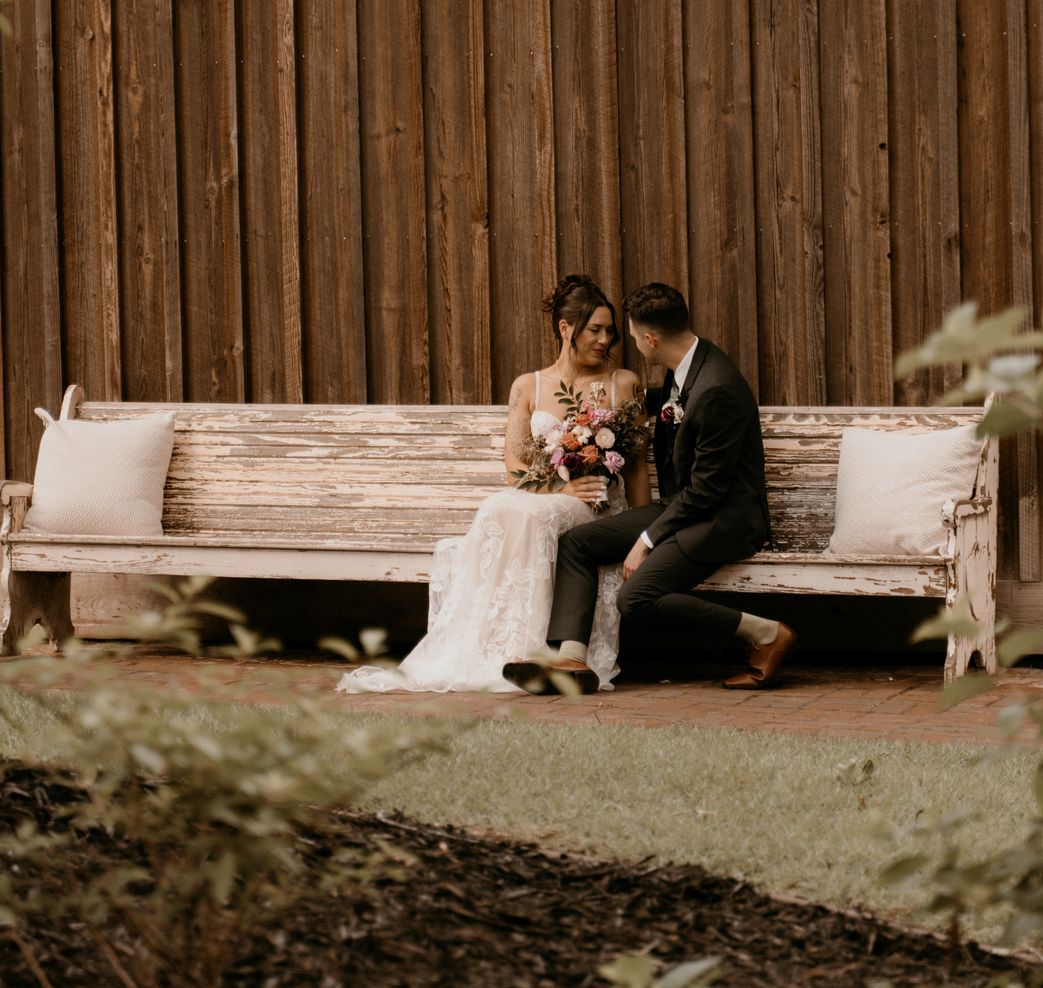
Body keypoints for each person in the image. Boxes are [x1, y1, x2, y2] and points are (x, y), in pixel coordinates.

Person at [337, 276, 649, 694]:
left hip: (596, 503)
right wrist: (558, 491)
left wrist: (642, 531)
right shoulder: (528, 385)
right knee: (502, 506)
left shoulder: (621, 383)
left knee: (523, 513)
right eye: (595, 329)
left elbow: (637, 469)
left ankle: (540, 649)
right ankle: (495, 646)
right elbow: (515, 464)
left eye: (609, 330)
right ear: (565, 328)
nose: (605, 338)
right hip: (549, 496)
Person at [503, 283, 795, 694]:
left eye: (633, 336)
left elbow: (709, 491)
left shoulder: (716, 389)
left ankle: (765, 633)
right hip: (687, 506)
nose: (630, 344)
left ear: (651, 338)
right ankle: (571, 658)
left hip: (726, 518)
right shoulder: (686, 369)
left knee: (635, 598)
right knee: (577, 544)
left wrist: (646, 537)